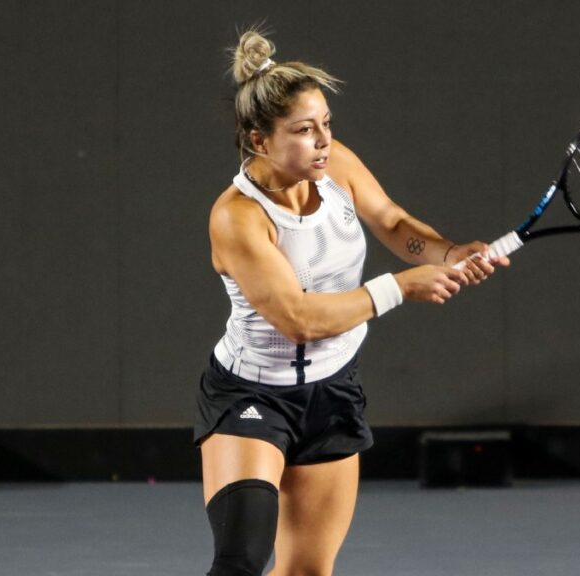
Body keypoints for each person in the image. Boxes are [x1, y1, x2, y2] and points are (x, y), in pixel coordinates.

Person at [194, 29, 507, 576]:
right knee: (241, 559)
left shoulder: (335, 166)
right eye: (303, 130)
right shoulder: (237, 217)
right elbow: (295, 319)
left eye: (326, 126)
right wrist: (400, 286)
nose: (321, 141)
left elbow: (390, 220)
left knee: (307, 572)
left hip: (332, 391)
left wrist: (450, 251)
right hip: (251, 395)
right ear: (258, 140)